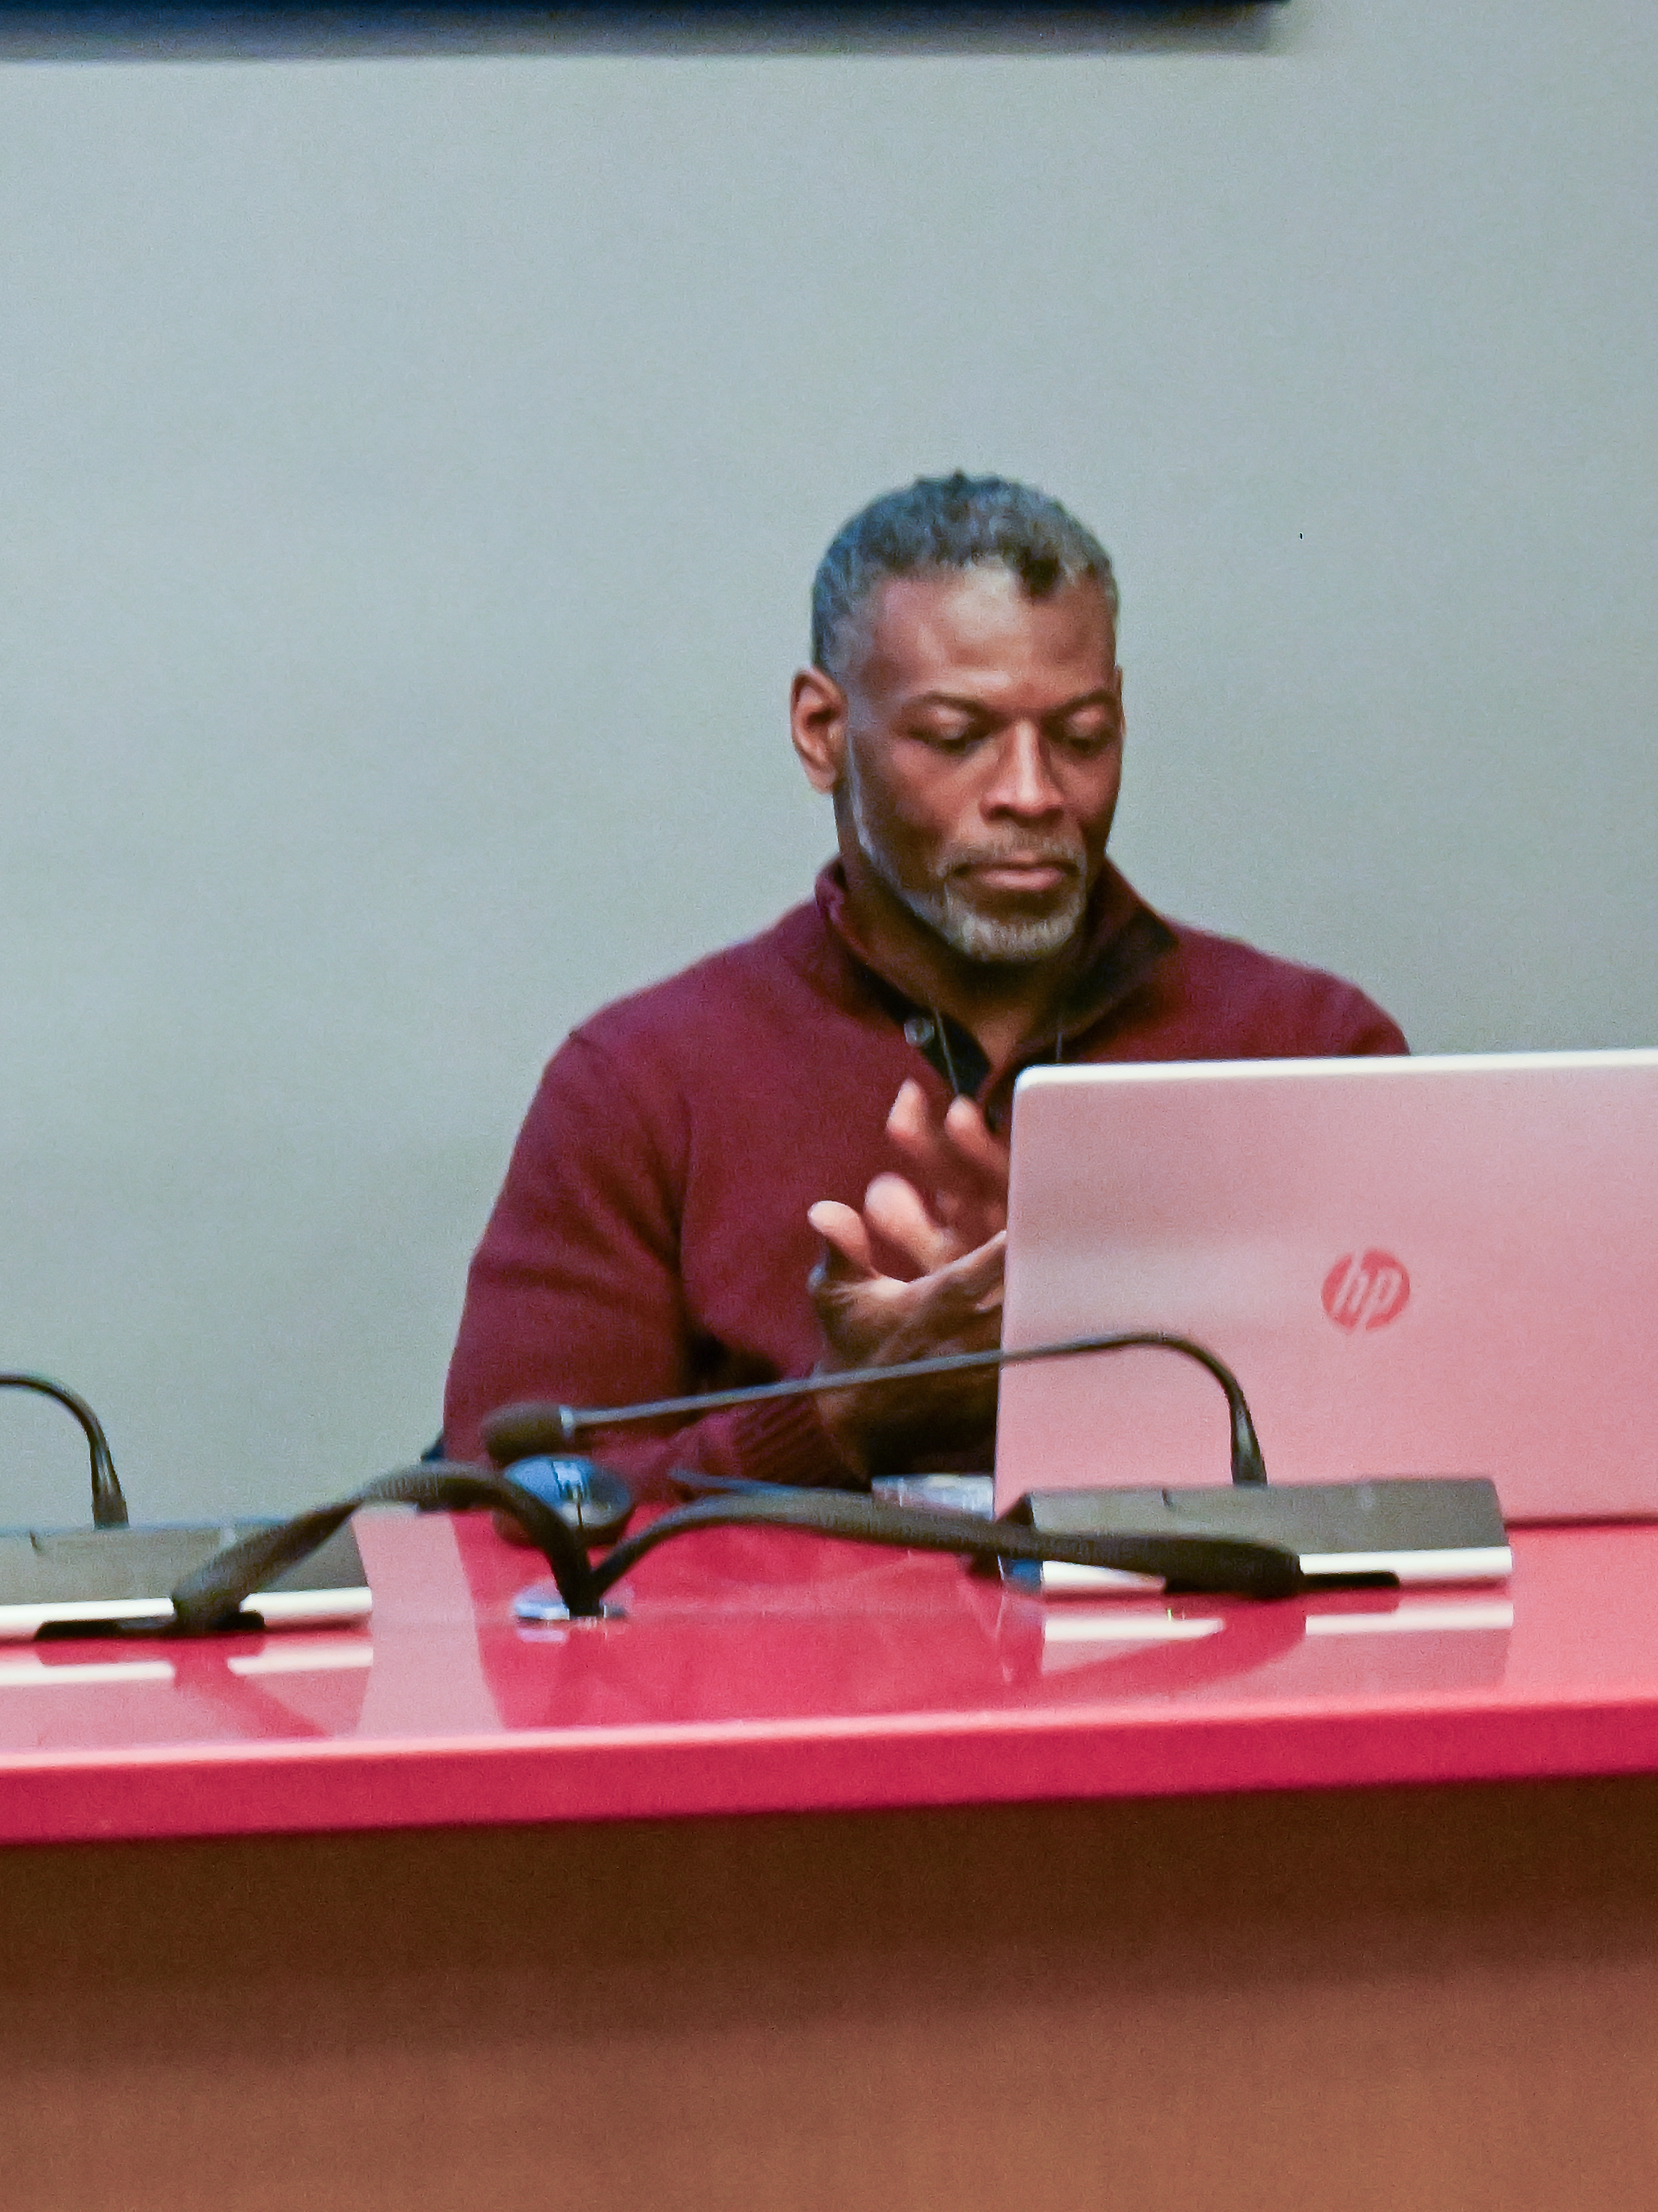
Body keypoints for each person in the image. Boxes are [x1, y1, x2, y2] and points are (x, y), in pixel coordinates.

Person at [441, 475, 1404, 1493]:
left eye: (1081, 738)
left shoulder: (1313, 1049)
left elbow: (1444, 1469)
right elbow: (501, 1530)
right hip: (793, 1661)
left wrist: (1100, 1357)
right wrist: (839, 1422)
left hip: (1219, 1656)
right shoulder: (640, 1086)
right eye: (956, 737)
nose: (1032, 795)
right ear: (821, 731)